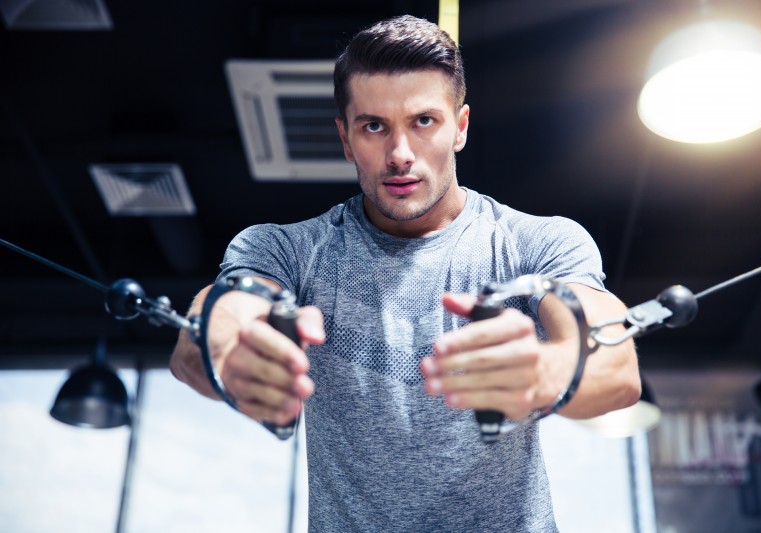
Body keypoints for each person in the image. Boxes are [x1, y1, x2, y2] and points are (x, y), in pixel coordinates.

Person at [170, 14, 639, 532]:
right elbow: (210, 326)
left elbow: (617, 369)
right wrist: (225, 354)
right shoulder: (287, 249)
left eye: (423, 122)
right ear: (346, 139)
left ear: (459, 127)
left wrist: (546, 374)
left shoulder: (535, 241)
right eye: (374, 126)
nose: (399, 155)